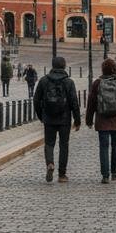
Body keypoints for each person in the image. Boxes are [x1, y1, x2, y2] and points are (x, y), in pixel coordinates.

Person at [33, 55, 80, 183]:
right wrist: (77, 120)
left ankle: (50, 163)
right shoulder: (69, 82)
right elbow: (74, 102)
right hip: (64, 119)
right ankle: (62, 175)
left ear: (52, 66)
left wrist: (41, 116)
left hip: (48, 117)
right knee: (64, 145)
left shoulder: (44, 81)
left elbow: (36, 100)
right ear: (64, 66)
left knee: (49, 143)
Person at [86, 58, 116, 184]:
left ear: (103, 69)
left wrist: (89, 120)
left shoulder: (97, 83)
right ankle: (115, 173)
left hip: (102, 121)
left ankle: (105, 175)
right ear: (115, 69)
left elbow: (91, 103)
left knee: (104, 147)